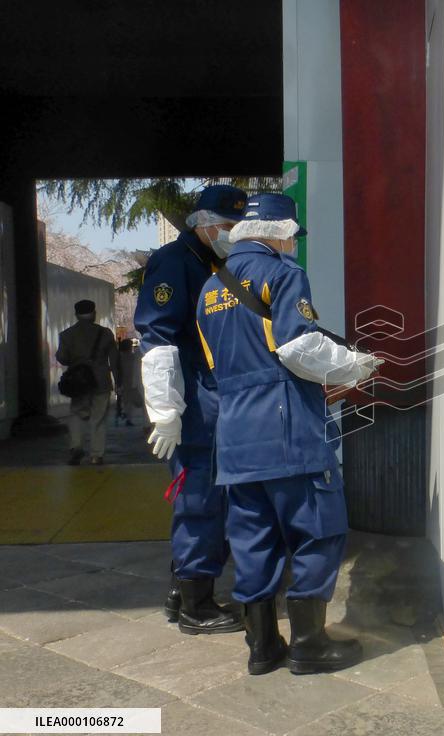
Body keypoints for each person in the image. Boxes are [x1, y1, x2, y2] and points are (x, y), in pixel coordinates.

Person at [196, 193, 378, 675]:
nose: (293, 243)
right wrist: (355, 366)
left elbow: (215, 368)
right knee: (319, 529)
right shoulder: (282, 273)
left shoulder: (208, 290)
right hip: (286, 429)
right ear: (278, 232)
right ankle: (310, 644)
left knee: (253, 537)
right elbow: (300, 348)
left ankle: (261, 647)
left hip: (234, 438)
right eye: (291, 235)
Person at [134, 185, 247, 635]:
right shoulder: (174, 262)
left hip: (213, 398)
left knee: (210, 497)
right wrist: (165, 410)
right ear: (202, 222)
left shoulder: (213, 262)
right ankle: (196, 608)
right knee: (199, 499)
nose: (231, 232)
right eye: (227, 225)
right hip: (195, 402)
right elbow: (157, 337)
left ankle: (183, 591)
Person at [56, 299, 119, 465]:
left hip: (79, 382)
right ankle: (96, 455)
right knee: (98, 418)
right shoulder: (106, 333)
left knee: (77, 414)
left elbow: (62, 358)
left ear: (76, 315)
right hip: (101, 381)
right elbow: (114, 360)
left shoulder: (66, 335)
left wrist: (76, 359)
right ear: (94, 313)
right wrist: (119, 382)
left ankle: (76, 447)